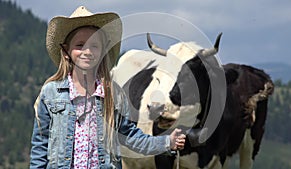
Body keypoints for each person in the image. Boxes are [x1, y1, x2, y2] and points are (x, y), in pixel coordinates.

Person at [29, 6, 186, 169]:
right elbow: (40, 147)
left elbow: (131, 137)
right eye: (80, 45)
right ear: (66, 51)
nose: (87, 51)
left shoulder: (114, 95)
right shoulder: (51, 93)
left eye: (94, 46)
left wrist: (168, 142)